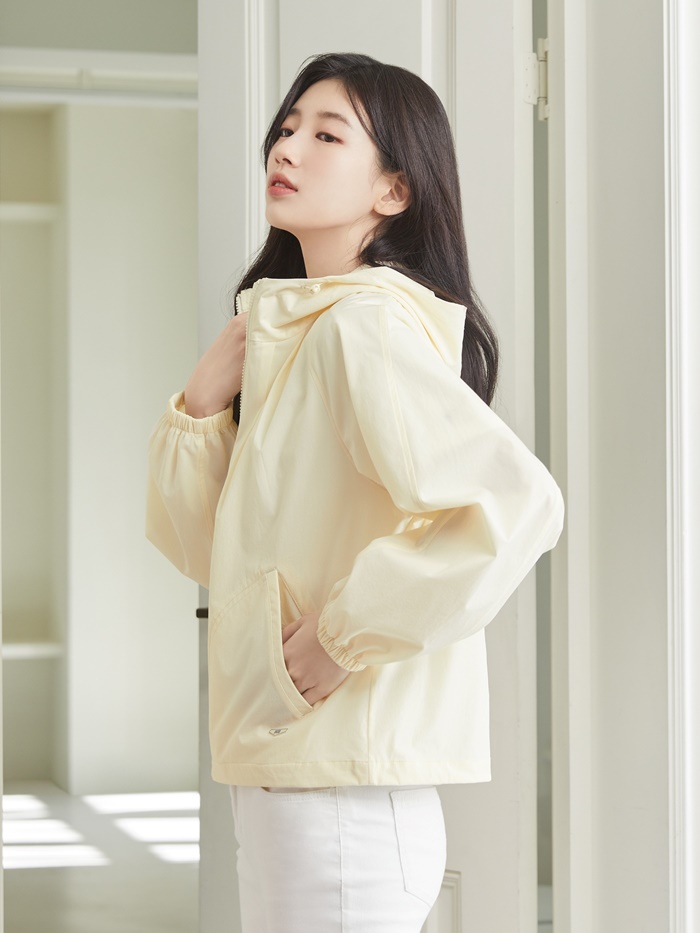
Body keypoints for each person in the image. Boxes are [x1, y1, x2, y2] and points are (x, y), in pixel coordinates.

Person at [146, 52, 564, 933]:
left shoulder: (359, 325)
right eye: (287, 127)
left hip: (342, 794)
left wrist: (340, 638)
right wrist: (200, 407)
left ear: (394, 191)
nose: (287, 147)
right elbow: (211, 553)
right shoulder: (295, 331)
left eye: (328, 135)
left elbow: (516, 503)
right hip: (290, 775)